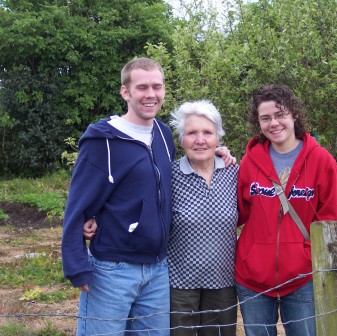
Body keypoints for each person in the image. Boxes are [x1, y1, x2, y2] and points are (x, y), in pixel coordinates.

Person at [61, 58, 233, 336]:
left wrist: (216, 153)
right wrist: (76, 264)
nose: (150, 94)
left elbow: (169, 177)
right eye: (142, 87)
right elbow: (77, 204)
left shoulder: (164, 135)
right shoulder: (102, 141)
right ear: (125, 92)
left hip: (157, 269)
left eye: (157, 86)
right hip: (113, 268)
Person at [235, 84, 337, 336]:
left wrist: (305, 257)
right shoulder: (250, 161)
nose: (274, 123)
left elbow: (330, 220)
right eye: (266, 118)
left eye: (280, 114)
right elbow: (238, 212)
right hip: (253, 278)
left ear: (294, 114)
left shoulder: (321, 161)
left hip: (302, 278)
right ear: (258, 122)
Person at [167, 100, 238, 336]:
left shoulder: (234, 173)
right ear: (181, 139)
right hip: (179, 286)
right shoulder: (169, 176)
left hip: (223, 282)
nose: (200, 140)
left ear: (218, 138)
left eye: (207, 133)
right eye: (192, 133)